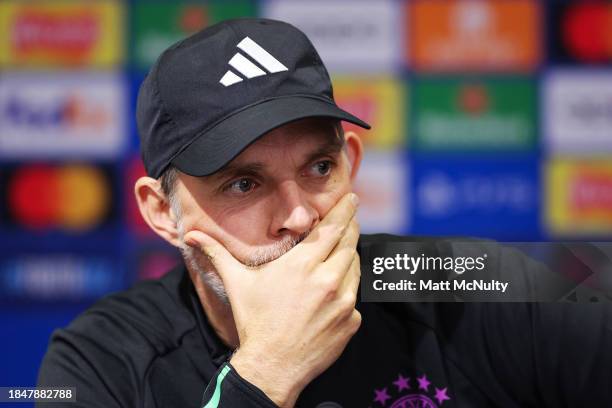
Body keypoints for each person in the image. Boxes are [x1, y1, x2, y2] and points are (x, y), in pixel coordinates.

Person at [38, 18, 612, 408]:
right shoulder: (98, 360)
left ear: (351, 162)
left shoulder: (458, 284)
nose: (300, 217)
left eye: (318, 169)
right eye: (243, 183)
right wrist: (262, 376)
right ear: (162, 212)